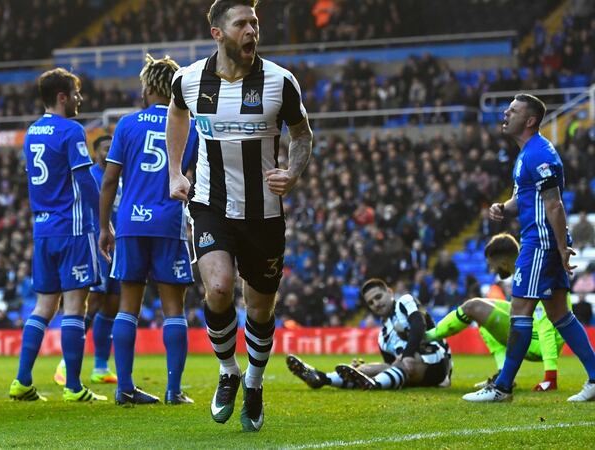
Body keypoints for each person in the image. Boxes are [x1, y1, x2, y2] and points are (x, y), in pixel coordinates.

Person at [166, 0, 313, 431]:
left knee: (261, 307)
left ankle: (254, 380)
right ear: (218, 33)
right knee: (218, 287)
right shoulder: (189, 80)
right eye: (242, 23)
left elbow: (302, 134)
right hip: (211, 205)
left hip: (264, 214)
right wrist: (176, 171)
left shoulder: (280, 82)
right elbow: (177, 114)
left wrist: (294, 170)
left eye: (255, 23)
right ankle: (228, 371)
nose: (252, 30)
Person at [463, 94, 595, 402]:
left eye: (513, 110)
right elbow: (524, 198)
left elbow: (555, 204)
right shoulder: (527, 154)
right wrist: (502, 207)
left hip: (541, 242)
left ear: (530, 119)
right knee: (560, 313)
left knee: (520, 310)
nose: (505, 114)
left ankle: (502, 387)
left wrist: (561, 247)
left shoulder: (539, 154)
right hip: (543, 241)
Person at [99, 54, 199, 405]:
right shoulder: (190, 126)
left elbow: (110, 179)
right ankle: (174, 390)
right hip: (169, 222)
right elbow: (193, 181)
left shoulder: (127, 124)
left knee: (128, 306)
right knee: (173, 309)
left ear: (147, 88)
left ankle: (124, 387)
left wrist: (104, 227)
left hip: (130, 222)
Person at [9, 68, 106, 403]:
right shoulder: (71, 130)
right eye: (76, 94)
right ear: (63, 97)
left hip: (43, 228)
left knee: (44, 306)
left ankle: (22, 381)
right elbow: (84, 181)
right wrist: (104, 220)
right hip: (73, 229)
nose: (80, 99)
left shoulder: (32, 133)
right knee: (76, 307)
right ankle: (74, 387)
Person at [425, 233, 566, 391]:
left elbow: (546, 325)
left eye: (493, 264)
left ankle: (428, 336)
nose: (492, 269)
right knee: (483, 311)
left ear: (504, 262)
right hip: (532, 335)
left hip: (537, 344)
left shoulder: (533, 276)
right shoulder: (524, 272)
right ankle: (502, 374)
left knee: (474, 307)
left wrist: (550, 376)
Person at [287, 279, 452, 391]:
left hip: (437, 363)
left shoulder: (405, 301)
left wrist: (407, 354)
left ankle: (375, 384)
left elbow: (419, 324)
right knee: (368, 369)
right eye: (371, 303)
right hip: (412, 372)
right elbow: (390, 366)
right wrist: (362, 369)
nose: (376, 304)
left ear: (389, 292)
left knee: (401, 362)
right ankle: (323, 378)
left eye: (378, 297)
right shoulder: (383, 337)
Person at [53, 134, 119, 387]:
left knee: (112, 304)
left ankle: (100, 367)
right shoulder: (91, 176)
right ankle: (65, 363)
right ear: (95, 152)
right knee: (93, 303)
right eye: (105, 148)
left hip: (119, 246)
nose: (109, 152)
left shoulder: (120, 176)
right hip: (95, 243)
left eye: (113, 148)